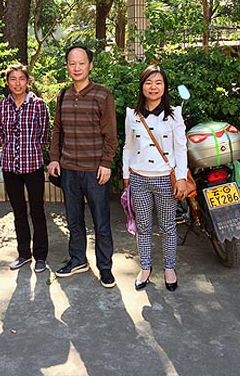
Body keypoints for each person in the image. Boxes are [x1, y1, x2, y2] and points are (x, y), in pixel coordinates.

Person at [47, 45, 118, 288]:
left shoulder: (102, 94)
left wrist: (106, 163)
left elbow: (110, 134)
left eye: (81, 63)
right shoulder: (63, 95)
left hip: (95, 171)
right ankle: (78, 260)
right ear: (67, 66)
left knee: (101, 221)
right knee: (73, 219)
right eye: (72, 63)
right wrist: (54, 158)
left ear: (90, 65)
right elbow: (57, 130)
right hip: (69, 169)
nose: (76, 68)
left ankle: (105, 267)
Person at [122, 65, 189, 292]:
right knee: (143, 226)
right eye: (149, 82)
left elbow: (181, 149)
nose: (153, 87)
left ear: (165, 87)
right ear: (142, 86)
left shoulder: (174, 114)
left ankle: (169, 268)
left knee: (168, 226)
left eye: (158, 82)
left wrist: (181, 177)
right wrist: (126, 176)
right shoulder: (132, 114)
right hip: (139, 178)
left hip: (164, 179)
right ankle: (145, 268)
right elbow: (128, 147)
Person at [0, 64, 50, 273]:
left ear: (28, 81)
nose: (17, 83)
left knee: (37, 211)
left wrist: (31, 149)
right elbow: (1, 133)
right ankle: (24, 254)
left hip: (33, 165)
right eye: (13, 79)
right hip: (10, 166)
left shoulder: (38, 105)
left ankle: (41, 256)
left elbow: (44, 134)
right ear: (7, 82)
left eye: (21, 79)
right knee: (18, 212)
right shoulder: (1, 106)